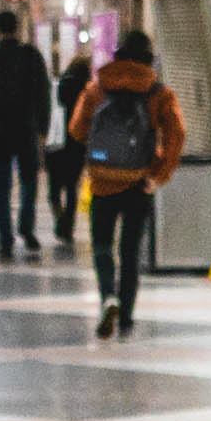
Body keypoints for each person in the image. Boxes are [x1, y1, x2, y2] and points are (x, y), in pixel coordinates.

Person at [68, 29, 184, 338]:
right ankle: (127, 317)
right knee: (130, 252)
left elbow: (77, 129)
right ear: (149, 58)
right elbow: (177, 135)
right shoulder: (159, 93)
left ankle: (108, 296)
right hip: (138, 182)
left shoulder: (97, 88)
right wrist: (158, 173)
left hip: (103, 181)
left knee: (103, 245)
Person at [0, 10, 52, 261]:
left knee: (1, 186)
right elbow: (43, 93)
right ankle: (26, 228)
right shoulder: (31, 55)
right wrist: (43, 127)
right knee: (29, 180)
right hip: (26, 126)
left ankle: (5, 238)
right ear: (17, 27)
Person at [47, 43, 91, 248]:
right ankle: (68, 224)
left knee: (55, 187)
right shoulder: (87, 91)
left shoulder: (59, 85)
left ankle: (59, 218)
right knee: (72, 187)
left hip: (56, 142)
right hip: (77, 143)